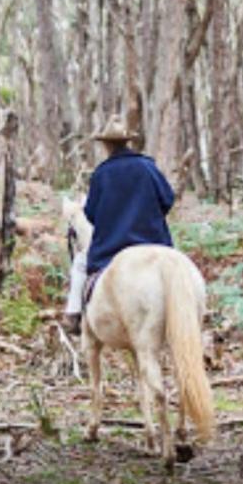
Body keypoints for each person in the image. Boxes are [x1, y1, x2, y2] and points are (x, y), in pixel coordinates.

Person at [63, 115, 175, 335]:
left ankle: (74, 315)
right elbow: (168, 199)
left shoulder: (101, 174)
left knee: (80, 263)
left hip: (112, 249)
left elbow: (91, 214)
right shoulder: (148, 167)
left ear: (106, 145)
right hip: (156, 244)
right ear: (127, 142)